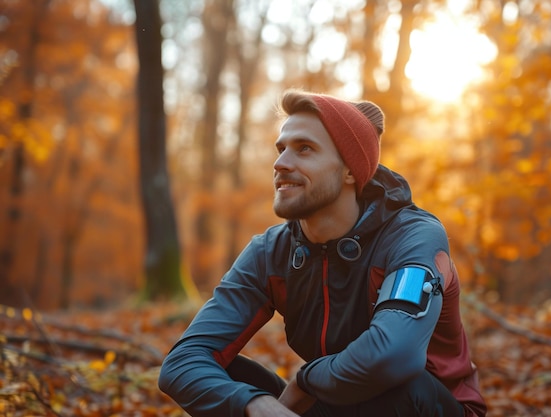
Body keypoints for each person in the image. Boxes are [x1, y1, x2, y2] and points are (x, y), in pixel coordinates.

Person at [158, 90, 487, 417]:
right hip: (337, 404)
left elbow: (394, 355)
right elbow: (182, 363)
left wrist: (304, 382)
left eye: (304, 149)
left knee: (403, 386)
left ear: (349, 171)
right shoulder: (270, 252)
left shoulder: (412, 236)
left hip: (427, 405)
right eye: (281, 149)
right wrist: (253, 405)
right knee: (227, 379)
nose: (280, 163)